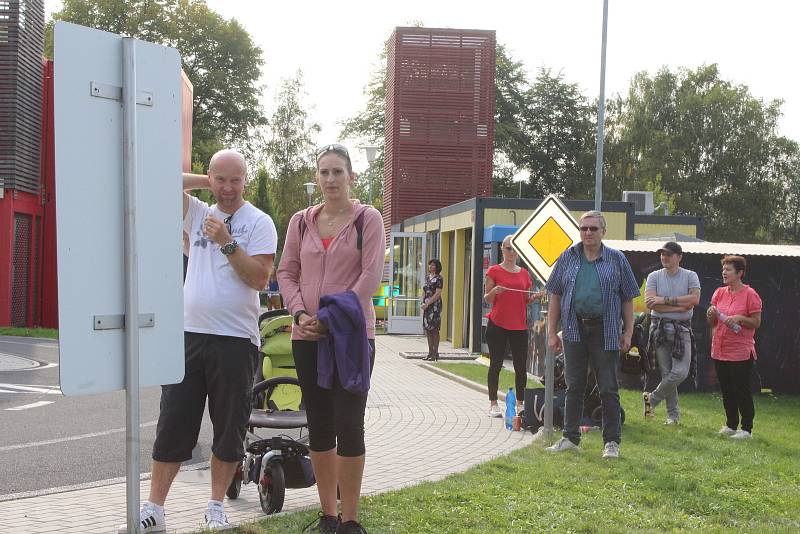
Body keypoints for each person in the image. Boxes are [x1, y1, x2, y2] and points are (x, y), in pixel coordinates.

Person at [121, 149, 277, 533]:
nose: (227, 188)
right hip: (189, 336)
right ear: (210, 179)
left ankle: (215, 506)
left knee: (228, 428)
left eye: (234, 179)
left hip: (236, 340)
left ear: (245, 180)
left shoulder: (259, 222)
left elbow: (259, 278)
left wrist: (226, 241)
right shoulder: (198, 212)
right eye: (219, 179)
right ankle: (155, 508)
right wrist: (204, 182)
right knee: (173, 423)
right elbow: (160, 181)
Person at [277, 143, 384, 534]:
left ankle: (350, 519)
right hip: (305, 336)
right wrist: (301, 314)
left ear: (351, 177)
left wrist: (329, 318)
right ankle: (327, 514)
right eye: (324, 172)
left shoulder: (367, 219)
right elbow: (286, 273)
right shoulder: (301, 221)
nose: (330, 179)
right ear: (317, 177)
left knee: (349, 424)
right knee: (319, 424)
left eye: (338, 172)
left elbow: (369, 278)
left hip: (351, 338)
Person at [545, 211, 640, 459]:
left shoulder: (617, 259)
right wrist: (552, 332)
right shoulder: (567, 257)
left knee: (608, 387)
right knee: (573, 385)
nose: (587, 233)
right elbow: (555, 295)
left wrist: (628, 332)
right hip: (574, 329)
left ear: (603, 232)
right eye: (583, 228)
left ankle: (611, 443)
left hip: (606, 330)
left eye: (593, 229)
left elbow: (628, 298)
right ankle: (570, 438)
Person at [483, 235, 543, 417]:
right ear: (502, 250)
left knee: (520, 367)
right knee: (496, 364)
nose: (511, 252)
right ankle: (493, 404)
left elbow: (524, 299)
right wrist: (494, 291)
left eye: (514, 248)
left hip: (518, 326)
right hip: (498, 324)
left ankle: (520, 403)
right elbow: (487, 299)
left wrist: (534, 297)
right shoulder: (494, 271)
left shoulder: (524, 273)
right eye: (508, 248)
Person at [642, 241, 701, 425]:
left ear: (679, 257)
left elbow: (694, 300)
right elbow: (650, 304)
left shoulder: (690, 276)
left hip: (681, 329)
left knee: (680, 372)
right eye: (662, 254)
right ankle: (673, 416)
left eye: (668, 254)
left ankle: (651, 399)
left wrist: (663, 302)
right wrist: (679, 305)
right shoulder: (653, 276)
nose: (664, 257)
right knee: (667, 372)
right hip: (659, 328)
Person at [706, 255, 762, 440]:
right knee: (727, 389)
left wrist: (739, 318)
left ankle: (747, 429)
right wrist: (710, 313)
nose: (724, 272)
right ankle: (731, 424)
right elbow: (712, 322)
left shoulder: (750, 294)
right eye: (723, 269)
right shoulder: (719, 293)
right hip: (720, 349)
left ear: (740, 273)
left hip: (740, 351)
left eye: (728, 270)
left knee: (741, 389)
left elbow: (756, 322)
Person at [421, 259, 444, 361]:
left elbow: (438, 293)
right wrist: (422, 302)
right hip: (426, 306)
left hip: (434, 307)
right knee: (428, 329)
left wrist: (428, 303)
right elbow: (424, 291)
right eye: (430, 264)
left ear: (437, 267)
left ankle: (435, 353)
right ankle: (430, 352)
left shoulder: (439, 278)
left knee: (434, 329)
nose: (430, 266)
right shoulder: (427, 278)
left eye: (433, 265)